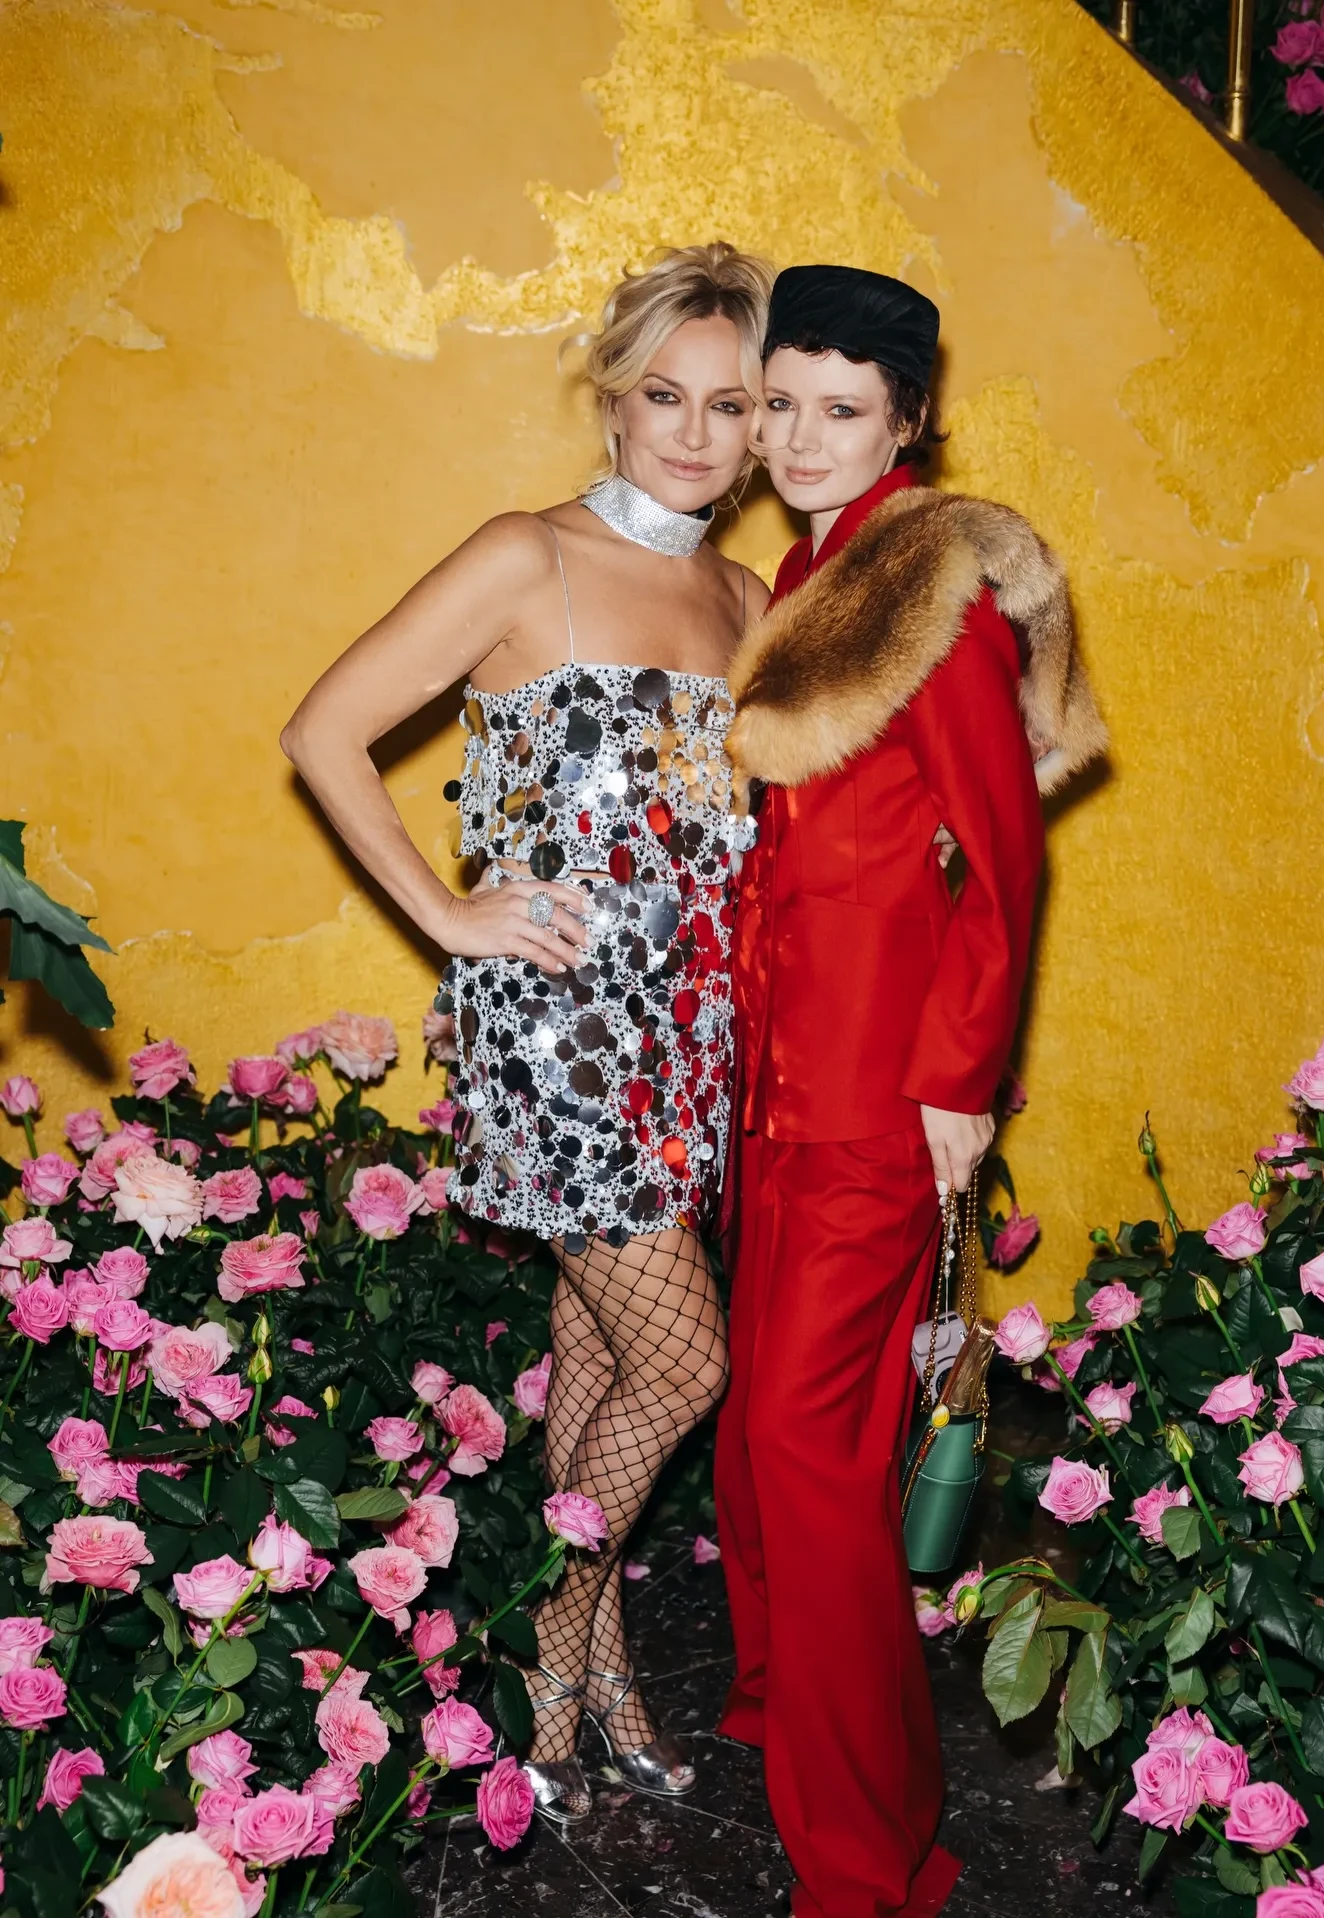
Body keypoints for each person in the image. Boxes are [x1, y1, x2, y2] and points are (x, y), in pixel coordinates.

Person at [280, 242, 774, 1826]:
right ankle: (548, 1631)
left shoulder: (751, 600)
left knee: (605, 1351)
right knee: (686, 1361)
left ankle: (594, 1672)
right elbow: (323, 729)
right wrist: (449, 913)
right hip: (556, 1035)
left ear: (760, 429)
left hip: (685, 1040)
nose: (692, 433)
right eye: (664, 395)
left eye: (729, 406)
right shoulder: (526, 556)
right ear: (614, 400)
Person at [713, 265, 1106, 1918]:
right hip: (780, 1075)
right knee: (771, 1430)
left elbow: (1006, 854)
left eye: (842, 410)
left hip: (881, 1092)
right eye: (780, 404)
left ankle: (872, 1860)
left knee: (806, 1450)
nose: (800, 439)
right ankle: (778, 1702)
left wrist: (962, 1076)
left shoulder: (930, 588)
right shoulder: (807, 572)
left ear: (909, 422)